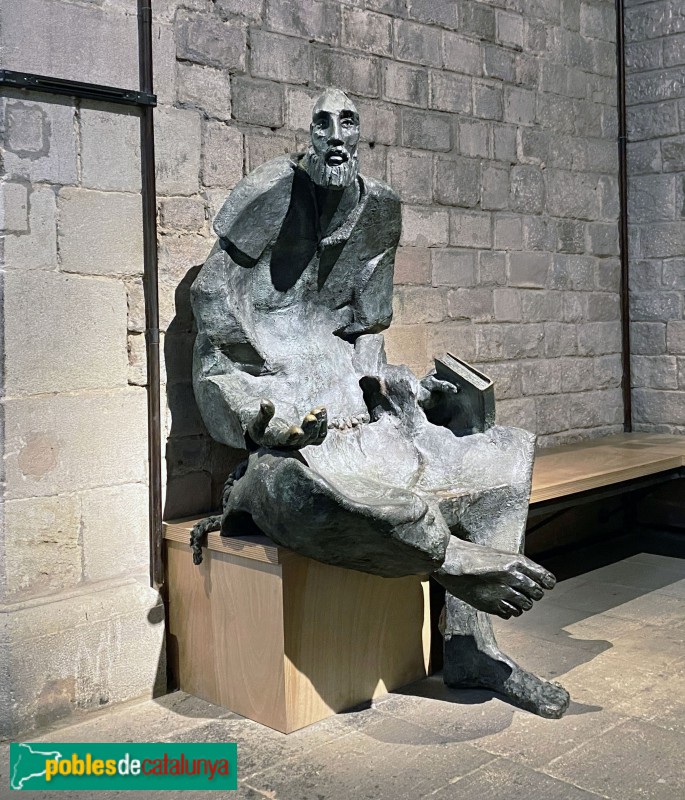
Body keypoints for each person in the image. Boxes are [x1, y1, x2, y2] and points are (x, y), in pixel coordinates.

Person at [190, 88, 570, 718]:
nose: (335, 136)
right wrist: (256, 412)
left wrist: (413, 390)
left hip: (367, 425)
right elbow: (214, 344)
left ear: (361, 134)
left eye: (347, 123)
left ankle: (471, 645)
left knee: (504, 454)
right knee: (321, 494)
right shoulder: (264, 203)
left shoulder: (377, 210)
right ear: (308, 134)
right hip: (289, 439)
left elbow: (366, 336)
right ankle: (451, 561)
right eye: (322, 123)